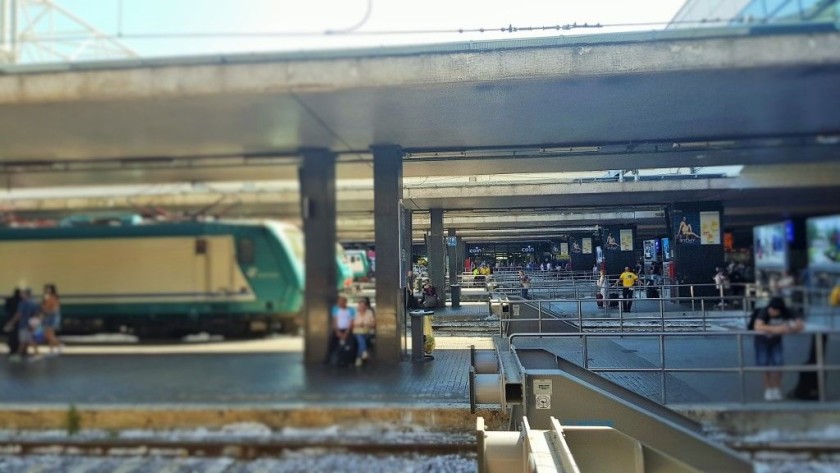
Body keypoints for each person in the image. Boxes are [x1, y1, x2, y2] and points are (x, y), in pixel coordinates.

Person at [752, 297, 804, 401]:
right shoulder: (763, 311)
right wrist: (778, 329)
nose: (772, 312)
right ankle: (768, 389)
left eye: (775, 310)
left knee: (778, 364)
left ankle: (776, 388)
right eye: (771, 309)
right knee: (764, 364)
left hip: (776, 341)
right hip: (761, 341)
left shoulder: (787, 311)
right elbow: (758, 326)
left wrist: (791, 328)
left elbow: (800, 324)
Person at [3, 289, 41, 360]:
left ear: (26, 294)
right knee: (25, 340)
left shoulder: (22, 303)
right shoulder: (34, 302)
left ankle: (35, 354)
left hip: (23, 324)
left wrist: (11, 322)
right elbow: (38, 314)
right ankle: (21, 354)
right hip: (31, 324)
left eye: (22, 293)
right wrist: (35, 324)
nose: (21, 295)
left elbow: (19, 314)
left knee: (26, 340)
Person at [325, 295, 356, 366]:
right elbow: (334, 321)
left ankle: (351, 361)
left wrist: (346, 332)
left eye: (342, 302)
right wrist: (337, 332)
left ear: (345, 302)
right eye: (339, 302)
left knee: (351, 344)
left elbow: (351, 321)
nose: (340, 303)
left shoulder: (351, 310)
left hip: (347, 330)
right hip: (338, 329)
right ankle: (328, 359)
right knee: (331, 343)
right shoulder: (335, 309)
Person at [353, 297, 376, 367]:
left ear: (366, 306)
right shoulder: (355, 313)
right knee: (360, 338)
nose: (361, 307)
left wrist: (367, 324)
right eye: (360, 306)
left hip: (367, 331)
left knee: (361, 340)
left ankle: (359, 356)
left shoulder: (369, 313)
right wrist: (359, 324)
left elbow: (373, 324)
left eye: (363, 306)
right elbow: (352, 323)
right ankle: (362, 354)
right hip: (356, 332)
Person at [41, 284, 62, 354]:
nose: (47, 290)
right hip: (47, 316)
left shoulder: (54, 297)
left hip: (52, 316)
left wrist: (48, 311)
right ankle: (53, 349)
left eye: (49, 289)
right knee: (48, 334)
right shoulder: (46, 297)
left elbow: (56, 309)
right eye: (46, 289)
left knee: (50, 334)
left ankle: (56, 347)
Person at [3, 289, 22, 357]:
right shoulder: (21, 300)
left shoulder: (10, 299)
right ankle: (17, 349)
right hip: (19, 320)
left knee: (11, 335)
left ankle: (11, 349)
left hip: (9, 318)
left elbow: (6, 308)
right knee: (18, 335)